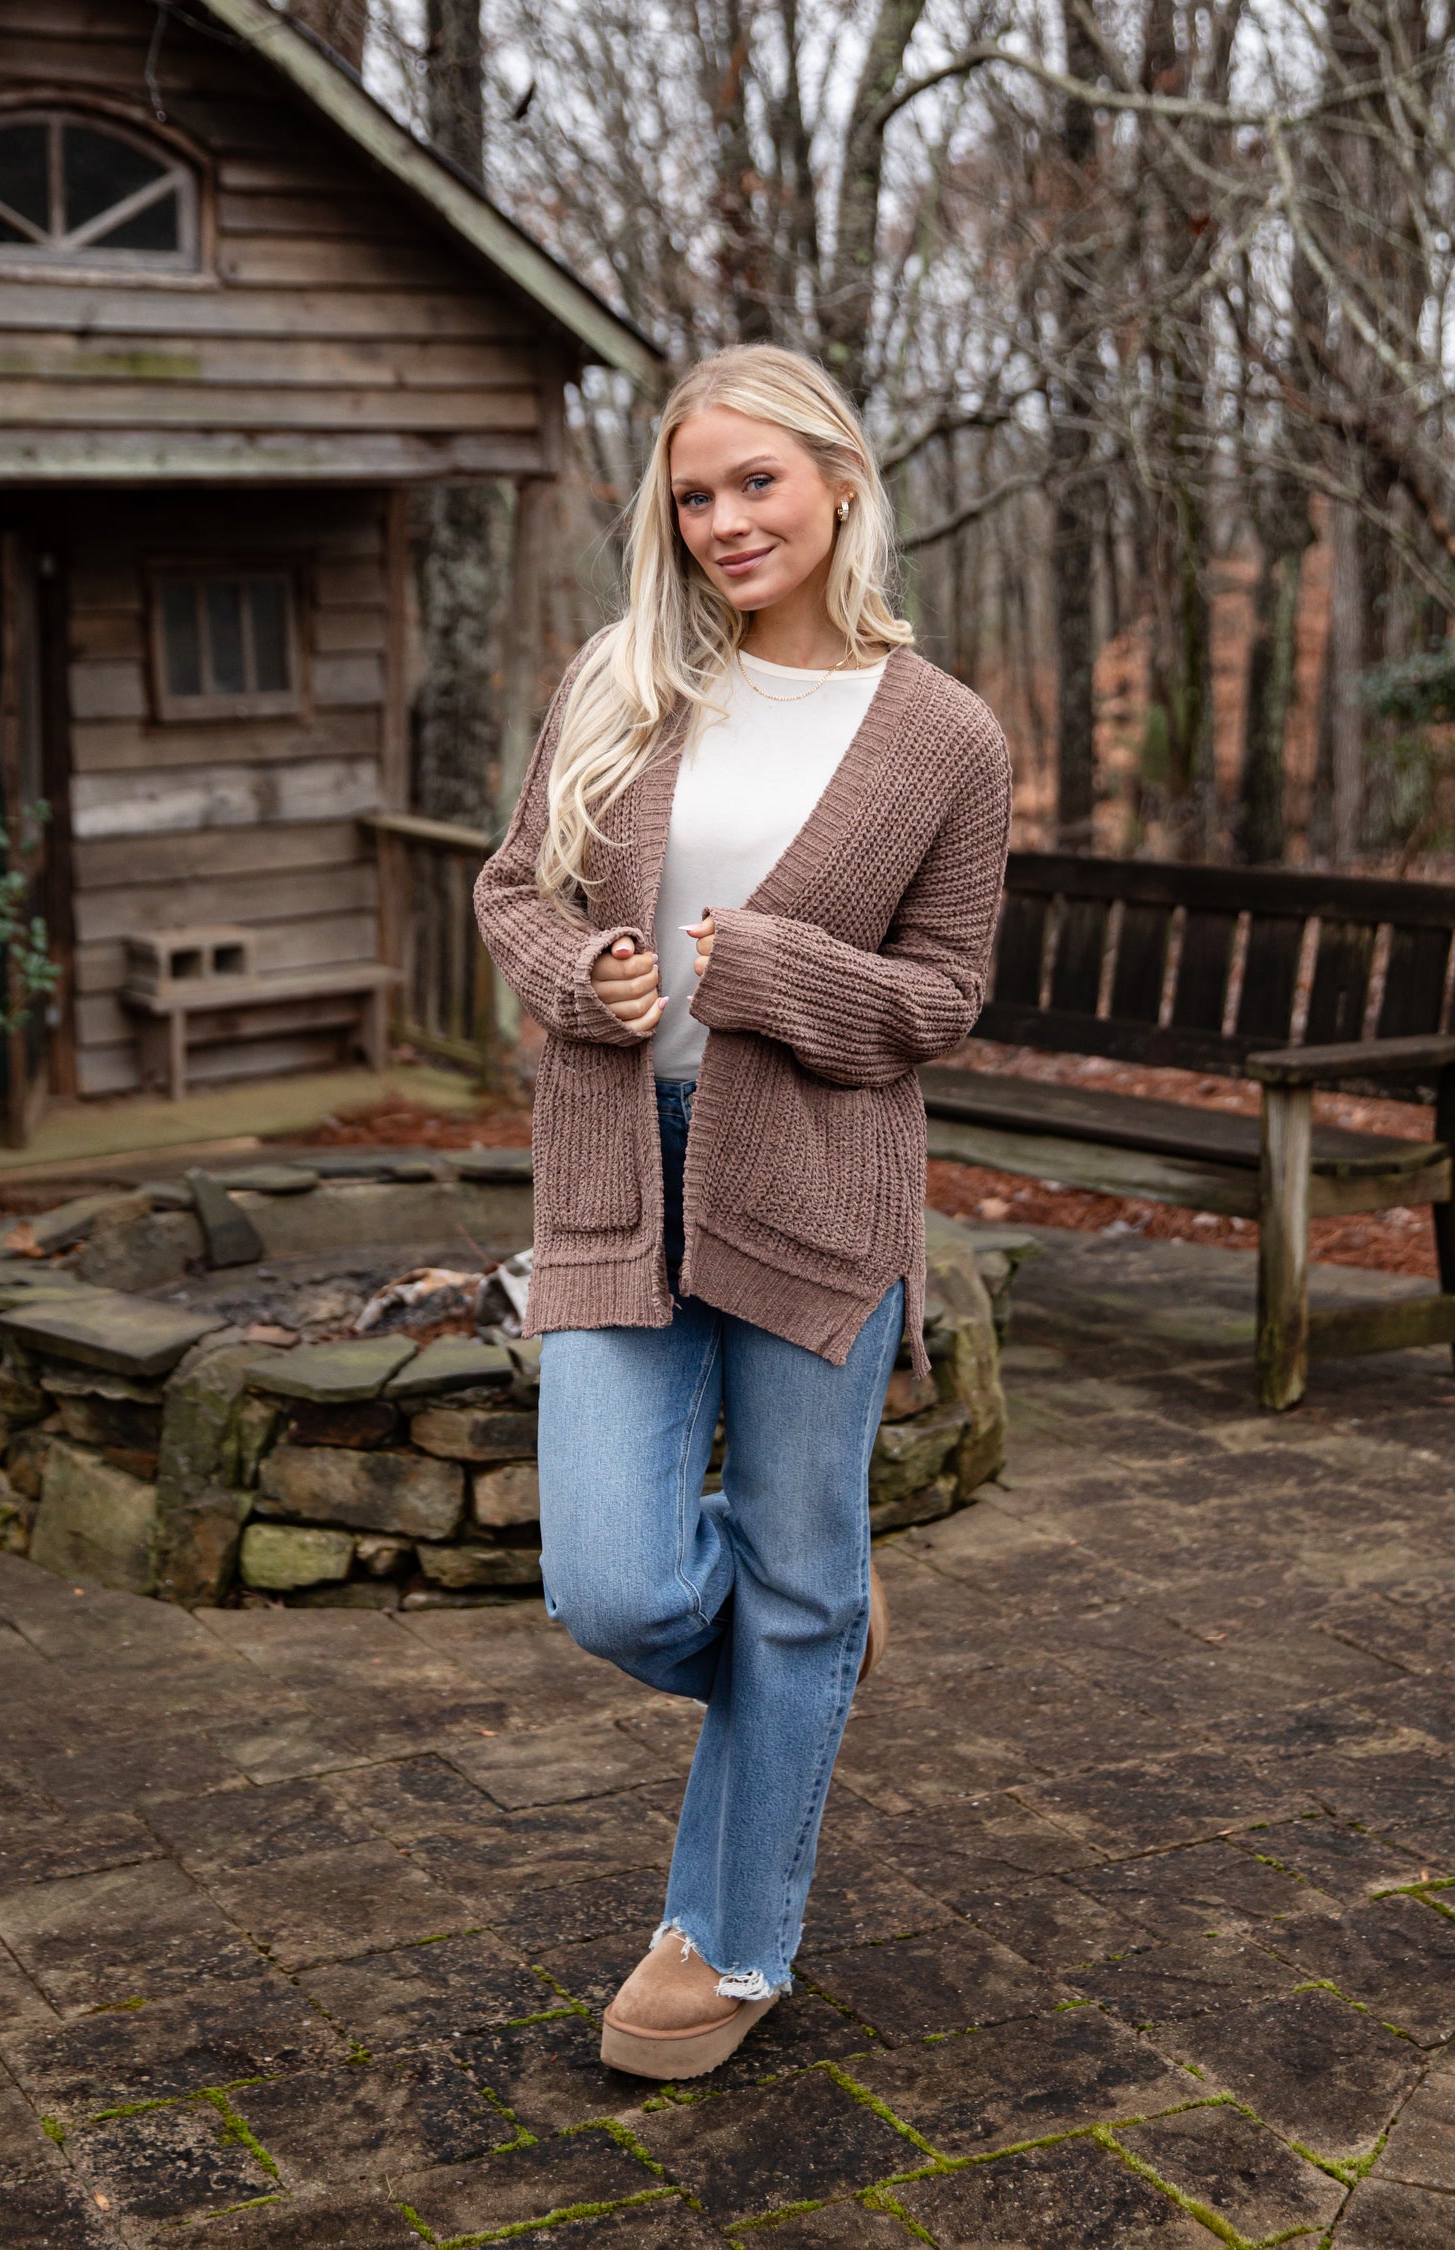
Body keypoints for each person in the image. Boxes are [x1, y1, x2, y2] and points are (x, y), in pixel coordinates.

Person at [473, 342, 1010, 2081]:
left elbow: (944, 993)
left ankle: (732, 1938)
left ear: (840, 479)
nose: (721, 521)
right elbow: (507, 889)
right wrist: (576, 975)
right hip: (618, 1175)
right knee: (614, 1585)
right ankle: (807, 1646)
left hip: (821, 1188)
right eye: (693, 494)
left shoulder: (943, 735)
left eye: (754, 483)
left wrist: (774, 972)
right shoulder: (623, 678)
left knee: (795, 1570)